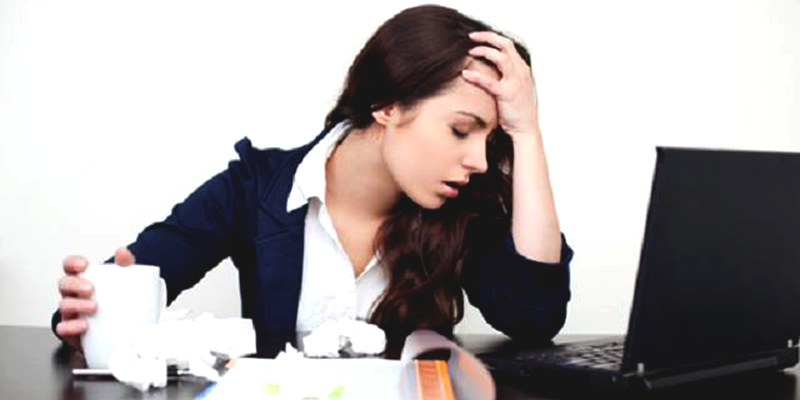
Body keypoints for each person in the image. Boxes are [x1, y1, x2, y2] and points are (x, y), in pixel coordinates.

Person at [53, 4, 573, 357]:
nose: (479, 160)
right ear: (388, 106)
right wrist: (88, 315)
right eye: (461, 130)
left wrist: (526, 133)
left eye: (490, 138)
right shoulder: (253, 189)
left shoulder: (462, 206)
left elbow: (534, 318)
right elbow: (118, 287)